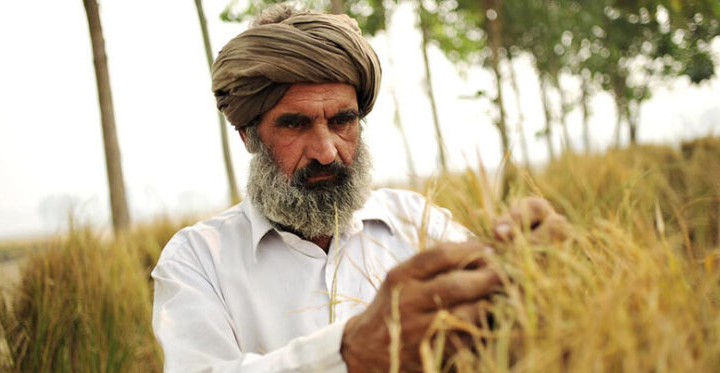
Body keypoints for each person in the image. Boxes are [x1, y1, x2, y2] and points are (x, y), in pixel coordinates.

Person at [151, 4, 567, 372]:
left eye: (342, 121)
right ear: (248, 135)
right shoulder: (197, 259)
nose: (327, 152)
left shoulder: (414, 221)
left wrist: (536, 268)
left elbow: (504, 327)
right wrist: (349, 354)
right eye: (295, 124)